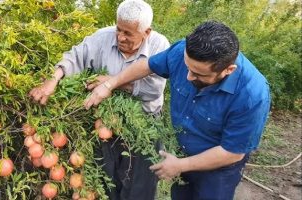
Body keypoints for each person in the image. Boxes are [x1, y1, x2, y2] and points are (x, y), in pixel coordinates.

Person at [84, 21, 271, 200]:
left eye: (198, 74)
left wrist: (181, 165)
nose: (188, 76)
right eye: (187, 67)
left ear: (228, 70)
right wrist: (111, 83)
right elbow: (147, 65)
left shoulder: (252, 95)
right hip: (180, 153)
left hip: (218, 170)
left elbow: (232, 152)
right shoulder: (182, 51)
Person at [29, 0, 170, 199]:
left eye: (128, 33)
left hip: (144, 125)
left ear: (146, 32)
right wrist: (54, 78)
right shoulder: (102, 38)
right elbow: (75, 56)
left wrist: (111, 83)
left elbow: (153, 90)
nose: (120, 37)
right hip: (104, 124)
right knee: (107, 181)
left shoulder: (160, 46)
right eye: (119, 29)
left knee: (140, 187)